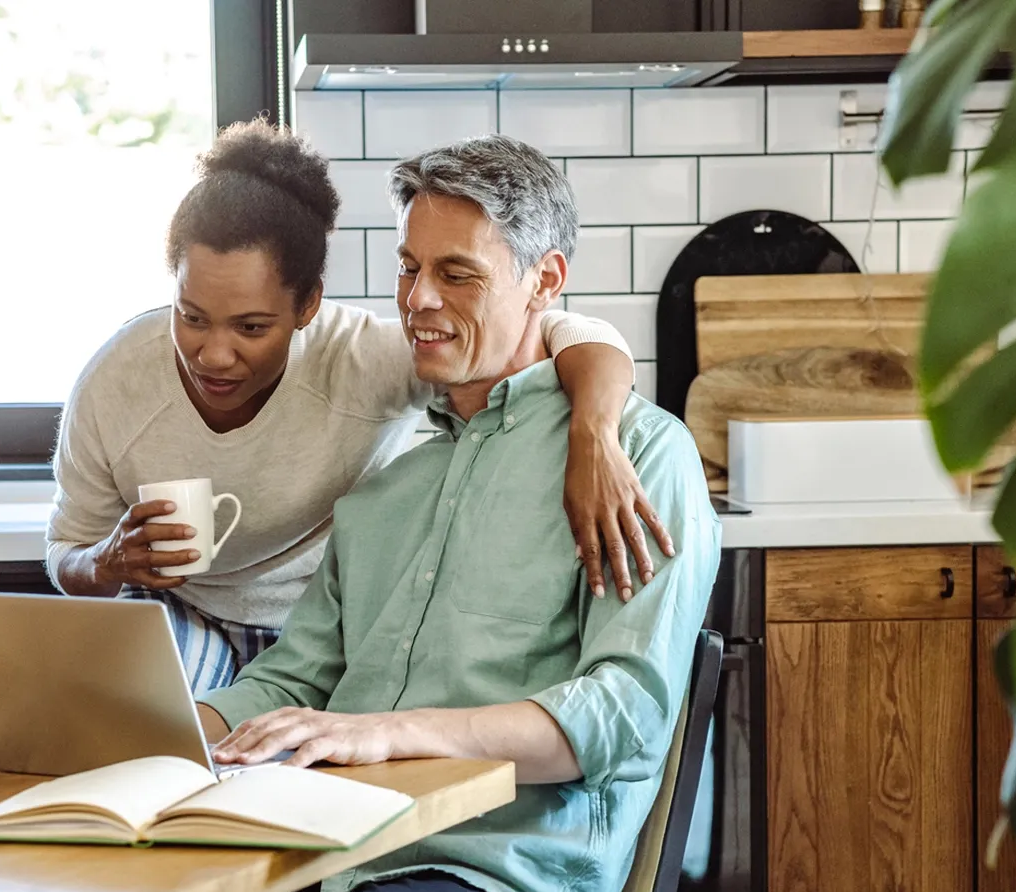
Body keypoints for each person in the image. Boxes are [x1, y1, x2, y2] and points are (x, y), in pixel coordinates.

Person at [0, 134, 719, 892]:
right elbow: (293, 674)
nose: (417, 302)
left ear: (545, 281)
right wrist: (159, 728)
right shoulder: (390, 478)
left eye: (456, 274)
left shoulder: (635, 460)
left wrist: (389, 734)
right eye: (409, 269)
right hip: (324, 856)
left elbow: (624, 713)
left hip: (491, 882)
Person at [45, 120, 673, 695]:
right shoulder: (116, 383)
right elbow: (64, 553)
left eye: (252, 327)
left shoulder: (364, 361)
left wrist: (596, 435)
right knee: (128, 738)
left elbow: (570, 334)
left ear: (307, 307)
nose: (213, 355)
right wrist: (106, 562)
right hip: (187, 617)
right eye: (191, 317)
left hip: (321, 636)